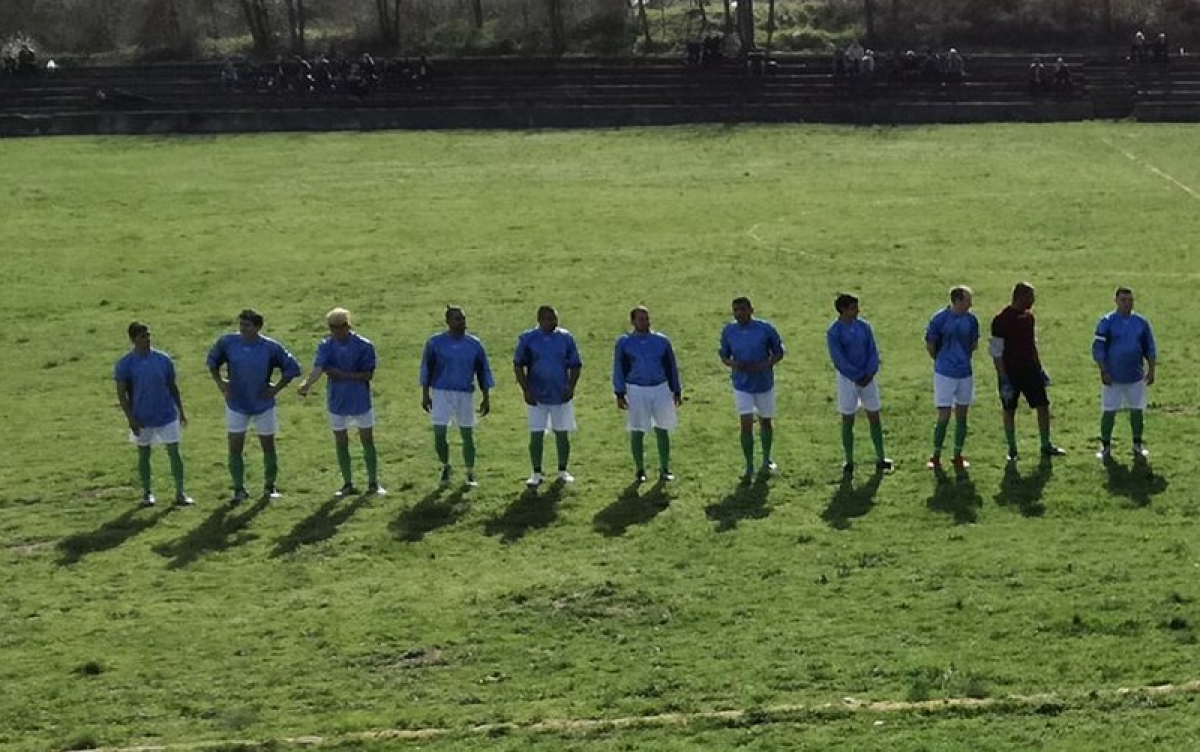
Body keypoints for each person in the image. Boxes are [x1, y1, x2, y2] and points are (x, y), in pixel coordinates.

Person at [207, 309, 302, 505]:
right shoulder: (227, 343)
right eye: (241, 324)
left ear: (258, 327)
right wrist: (221, 383)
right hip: (236, 403)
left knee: (268, 445)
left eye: (247, 325)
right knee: (235, 446)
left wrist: (275, 389)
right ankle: (238, 489)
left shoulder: (270, 347)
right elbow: (212, 362)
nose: (243, 329)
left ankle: (269, 487)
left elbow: (292, 368)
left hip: (263, 404)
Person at [297, 308, 385, 496]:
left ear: (348, 325)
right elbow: (319, 367)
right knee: (341, 442)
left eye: (340, 326)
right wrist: (307, 383)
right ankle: (347, 483)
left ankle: (373, 482)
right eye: (332, 327)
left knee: (367, 440)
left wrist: (341, 374)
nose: (336, 331)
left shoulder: (363, 346)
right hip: (337, 400)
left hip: (360, 399)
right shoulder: (326, 345)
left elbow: (367, 374)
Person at [114, 322, 192, 507]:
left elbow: (172, 386)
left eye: (148, 335)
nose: (147, 339)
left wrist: (180, 411)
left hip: (166, 414)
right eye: (142, 336)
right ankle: (147, 492)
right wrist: (131, 419)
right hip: (142, 417)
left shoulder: (163, 359)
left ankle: (180, 492)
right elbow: (122, 395)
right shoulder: (125, 364)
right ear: (133, 340)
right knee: (144, 454)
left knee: (174, 452)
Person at [419, 305, 494, 487]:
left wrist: (486, 396)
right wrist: (425, 394)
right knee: (439, 433)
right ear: (448, 321)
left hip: (465, 393)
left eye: (463, 319)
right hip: (441, 392)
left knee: (467, 433)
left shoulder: (474, 345)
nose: (462, 322)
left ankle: (470, 472)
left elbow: (483, 371)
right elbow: (426, 369)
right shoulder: (435, 343)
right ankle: (446, 465)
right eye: (457, 319)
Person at [990, 282, 1065, 462]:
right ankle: (1012, 449)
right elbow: (996, 351)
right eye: (1031, 297)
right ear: (1021, 297)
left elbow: (1032, 345)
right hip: (1010, 372)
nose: (1033, 301)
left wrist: (1039, 368)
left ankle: (1045, 444)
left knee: (1043, 405)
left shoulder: (1029, 318)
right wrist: (1003, 377)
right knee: (1009, 409)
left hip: (1030, 370)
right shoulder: (1001, 320)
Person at [612, 305, 683, 484]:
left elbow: (671, 366)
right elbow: (618, 368)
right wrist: (619, 393)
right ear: (633, 321)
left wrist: (676, 389)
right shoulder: (624, 343)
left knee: (662, 428)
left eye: (647, 318)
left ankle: (665, 468)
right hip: (636, 389)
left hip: (660, 388)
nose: (645, 322)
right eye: (641, 319)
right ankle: (640, 469)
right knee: (637, 430)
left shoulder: (662, 341)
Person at [514, 305, 582, 487]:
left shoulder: (566, 338)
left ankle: (562, 470)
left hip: (560, 394)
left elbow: (575, 364)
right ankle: (536, 472)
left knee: (562, 432)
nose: (553, 322)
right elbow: (518, 365)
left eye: (554, 318)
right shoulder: (528, 339)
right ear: (539, 320)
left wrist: (571, 387)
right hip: (537, 395)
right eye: (549, 319)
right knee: (536, 434)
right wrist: (526, 390)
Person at [719, 297, 785, 479]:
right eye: (736, 310)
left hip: (764, 383)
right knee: (745, 423)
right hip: (741, 384)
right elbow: (724, 355)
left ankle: (766, 459)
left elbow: (779, 352)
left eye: (742, 309)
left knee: (765, 421)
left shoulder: (765, 329)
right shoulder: (729, 331)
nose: (739, 313)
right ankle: (749, 465)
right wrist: (735, 365)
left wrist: (764, 365)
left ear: (751, 310)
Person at [827, 294, 893, 474]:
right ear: (843, 310)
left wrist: (870, 372)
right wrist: (857, 375)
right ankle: (849, 460)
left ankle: (881, 457)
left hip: (868, 378)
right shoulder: (834, 332)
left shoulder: (864, 327)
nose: (858, 311)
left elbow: (872, 350)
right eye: (853, 308)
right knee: (848, 418)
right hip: (847, 380)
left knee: (874, 415)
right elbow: (839, 359)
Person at [1092, 287, 1157, 459]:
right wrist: (1103, 371)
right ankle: (1105, 446)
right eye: (1123, 300)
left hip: (1136, 376)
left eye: (1130, 300)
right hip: (1113, 377)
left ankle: (1137, 444)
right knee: (1109, 411)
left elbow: (1150, 347)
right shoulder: (1107, 322)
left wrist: (1151, 370)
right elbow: (1098, 349)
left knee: (1137, 411)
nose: (1127, 304)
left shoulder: (1141, 323)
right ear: (1116, 301)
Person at [924, 286, 980, 469]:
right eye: (967, 300)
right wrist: (942, 361)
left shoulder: (971, 320)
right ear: (957, 300)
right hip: (945, 373)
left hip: (965, 373)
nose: (970, 304)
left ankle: (957, 455)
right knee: (944, 414)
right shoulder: (940, 319)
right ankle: (936, 455)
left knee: (962, 414)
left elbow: (973, 344)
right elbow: (931, 344)